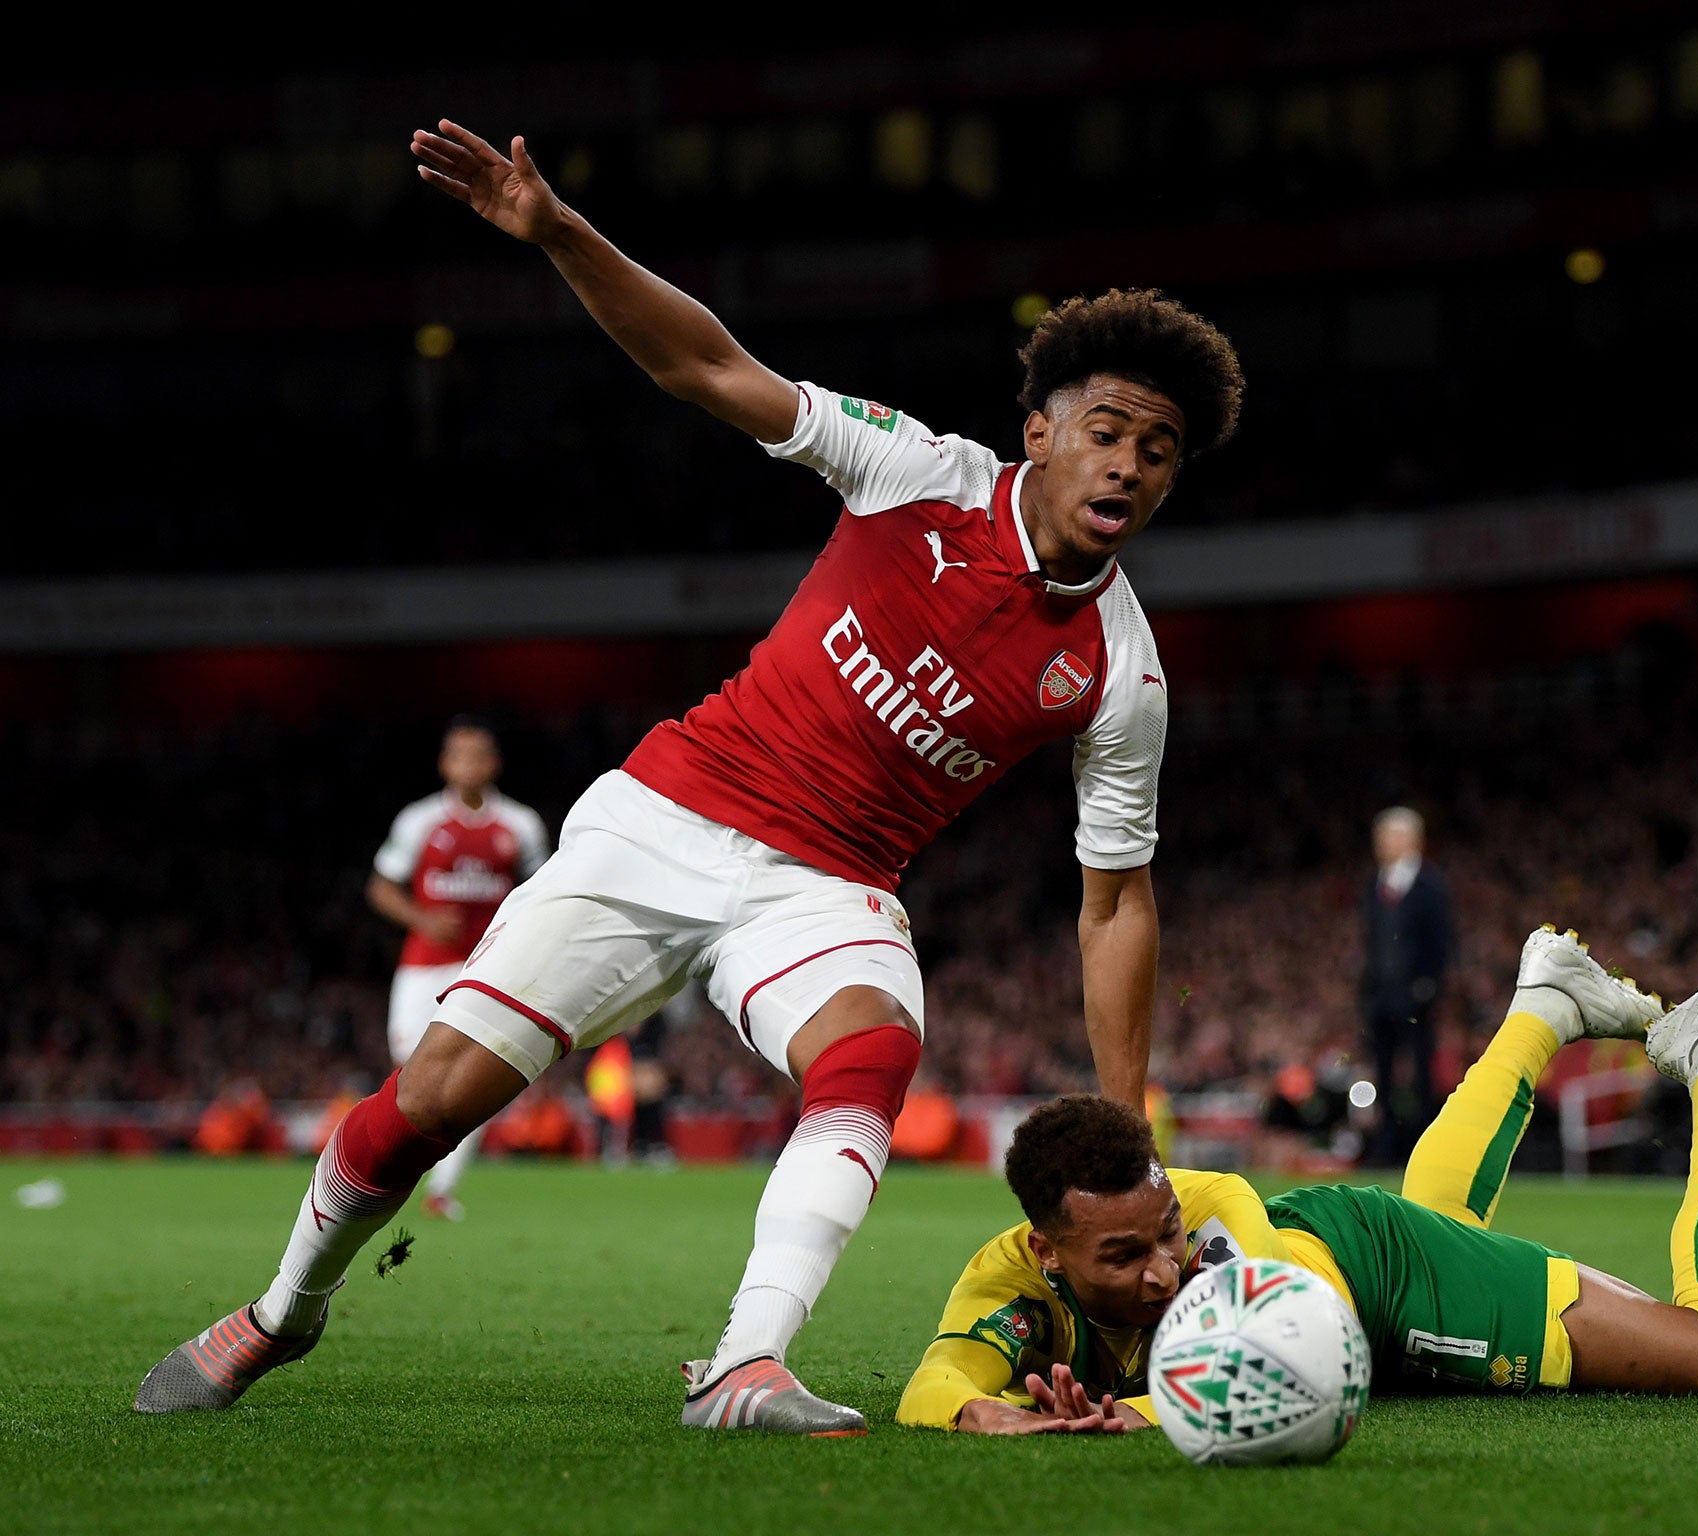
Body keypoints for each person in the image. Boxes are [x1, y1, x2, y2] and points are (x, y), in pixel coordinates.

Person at [134, 118, 1246, 1434]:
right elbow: (710, 364)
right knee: (425, 1107)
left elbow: (1116, 902)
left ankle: (742, 1366)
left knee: (873, 1055)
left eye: (1160, 449)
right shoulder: (917, 475)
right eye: (1109, 430)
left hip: (828, 889)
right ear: (1041, 433)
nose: (1129, 463)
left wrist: (1125, 1140)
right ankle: (283, 1310)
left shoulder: (1122, 672)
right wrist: (557, 233)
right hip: (666, 819)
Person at [900, 925, 1698, 1431]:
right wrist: (988, 1415)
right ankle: (1548, 1005)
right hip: (1348, 1259)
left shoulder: (1219, 1207)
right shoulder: (1009, 1276)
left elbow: (1280, 1340)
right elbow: (931, 1381)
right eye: (1121, 1255)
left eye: (1166, 1234)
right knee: (1446, 1207)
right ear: (1043, 1251)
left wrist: (1134, 1416)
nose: (1162, 1269)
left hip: (1382, 1280)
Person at [366, 717, 550, 1219]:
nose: (468, 764)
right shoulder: (419, 821)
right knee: (409, 1069)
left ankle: (439, 1191)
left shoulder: (521, 825)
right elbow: (381, 887)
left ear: (493, 764)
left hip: (485, 969)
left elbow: (544, 894)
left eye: (478, 755)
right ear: (445, 764)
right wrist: (421, 917)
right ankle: (396, 1171)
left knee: (472, 1077)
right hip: (423, 966)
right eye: (459, 755)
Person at [1359, 806, 1453, 1162]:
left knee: (1421, 1076)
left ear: (1411, 840)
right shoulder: (1376, 884)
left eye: (1388, 836)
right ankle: (1386, 1150)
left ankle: (1425, 1151)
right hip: (1381, 995)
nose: (1380, 844)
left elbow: (1441, 939)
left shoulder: (1430, 885)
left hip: (1415, 996)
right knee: (1383, 1075)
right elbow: (1372, 942)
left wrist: (1428, 984)